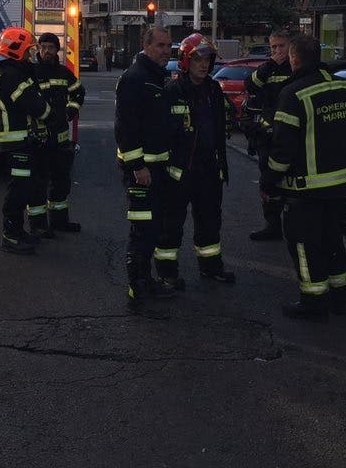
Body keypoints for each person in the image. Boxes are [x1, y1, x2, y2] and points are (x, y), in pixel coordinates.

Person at [261, 34, 346, 321]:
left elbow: (282, 152)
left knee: (305, 245)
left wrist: (269, 182)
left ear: (294, 58)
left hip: (307, 190)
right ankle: (338, 298)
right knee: (333, 242)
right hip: (342, 185)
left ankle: (313, 301)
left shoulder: (293, 94)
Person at [157, 33, 235, 289]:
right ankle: (167, 273)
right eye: (198, 59)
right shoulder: (173, 91)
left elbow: (222, 125)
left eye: (207, 60)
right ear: (185, 62)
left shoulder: (214, 90)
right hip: (179, 171)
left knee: (210, 222)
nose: (204, 64)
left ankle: (211, 267)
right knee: (171, 225)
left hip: (209, 170)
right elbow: (162, 133)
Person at [115, 25, 174, 311]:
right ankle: (137, 291)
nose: (166, 51)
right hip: (142, 172)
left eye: (169, 46)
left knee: (152, 230)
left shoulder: (156, 78)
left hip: (157, 170)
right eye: (161, 45)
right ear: (146, 45)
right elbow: (125, 128)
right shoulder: (135, 78)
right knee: (141, 231)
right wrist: (137, 166)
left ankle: (146, 281)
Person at [0, 27, 51, 255]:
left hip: (24, 141)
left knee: (27, 187)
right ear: (16, 51)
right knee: (18, 191)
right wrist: (50, 113)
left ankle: (18, 231)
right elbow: (34, 105)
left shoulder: (13, 71)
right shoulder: (9, 76)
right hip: (17, 142)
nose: (29, 56)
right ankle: (10, 236)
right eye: (27, 51)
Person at [28, 32, 86, 236]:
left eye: (50, 47)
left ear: (57, 50)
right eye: (42, 47)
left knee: (61, 182)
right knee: (38, 183)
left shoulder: (63, 73)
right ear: (37, 49)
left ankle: (59, 222)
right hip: (39, 139)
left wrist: (71, 109)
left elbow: (78, 91)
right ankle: (38, 225)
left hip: (60, 139)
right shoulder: (31, 73)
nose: (46, 51)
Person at [244, 29, 292, 241]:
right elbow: (250, 84)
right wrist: (270, 65)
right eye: (273, 47)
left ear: (290, 46)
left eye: (281, 46)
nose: (277, 51)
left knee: (289, 179)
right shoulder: (267, 69)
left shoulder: (296, 67)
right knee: (268, 181)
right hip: (268, 133)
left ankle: (293, 224)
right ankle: (272, 224)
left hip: (290, 131)